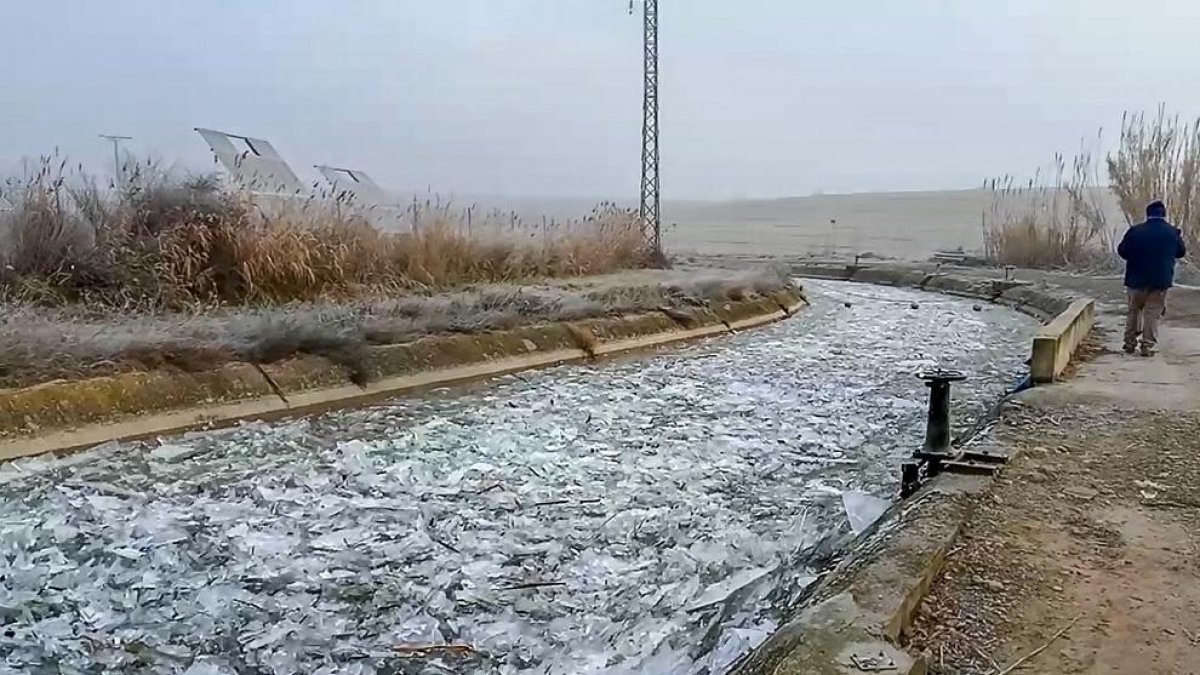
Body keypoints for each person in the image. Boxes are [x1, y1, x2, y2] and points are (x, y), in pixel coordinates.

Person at [1117, 200, 1187, 356]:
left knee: (1134, 310)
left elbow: (1122, 251)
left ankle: (1129, 342)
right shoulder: (1172, 232)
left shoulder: (1135, 231)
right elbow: (1181, 252)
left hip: (1136, 278)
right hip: (1160, 280)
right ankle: (1147, 345)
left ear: (1147, 214)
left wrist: (1135, 257)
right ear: (1164, 214)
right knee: (1152, 312)